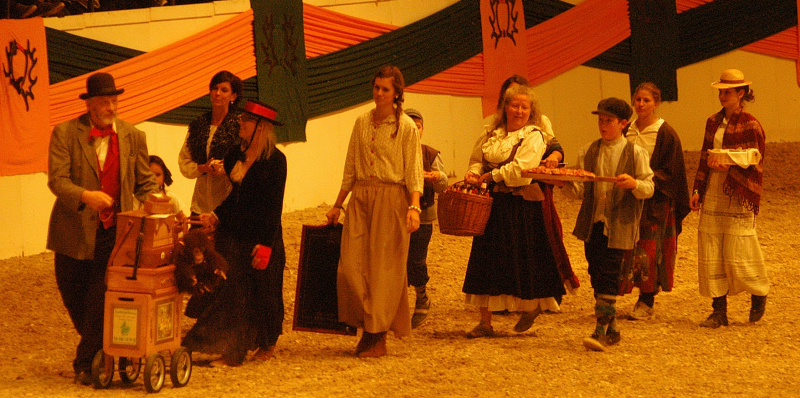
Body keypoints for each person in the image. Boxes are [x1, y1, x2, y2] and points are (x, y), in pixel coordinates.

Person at [47, 72, 157, 384]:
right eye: (104, 102)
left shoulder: (133, 136)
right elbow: (57, 180)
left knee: (101, 296)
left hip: (114, 233)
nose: (111, 107)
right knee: (74, 296)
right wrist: (85, 196)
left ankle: (86, 362)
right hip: (72, 234)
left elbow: (144, 182)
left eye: (114, 101)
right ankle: (107, 347)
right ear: (90, 104)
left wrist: (161, 206)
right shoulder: (66, 133)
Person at [325, 65, 423, 358]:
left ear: (396, 93)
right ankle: (368, 325)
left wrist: (414, 207)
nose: (379, 93)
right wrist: (337, 204)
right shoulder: (361, 122)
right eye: (376, 87)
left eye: (385, 89)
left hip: (392, 198)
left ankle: (376, 334)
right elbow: (350, 167)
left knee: (384, 271)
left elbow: (413, 172)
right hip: (361, 198)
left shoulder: (405, 127)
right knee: (350, 268)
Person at [182, 99, 287, 365]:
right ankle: (227, 348)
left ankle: (267, 341)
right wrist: (215, 216)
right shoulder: (232, 155)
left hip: (263, 234)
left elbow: (273, 207)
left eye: (247, 120)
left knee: (265, 291)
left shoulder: (276, 161)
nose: (240, 123)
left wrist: (265, 245)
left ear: (261, 128)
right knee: (229, 290)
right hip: (234, 233)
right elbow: (235, 197)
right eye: (242, 119)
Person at [461, 84, 566, 338]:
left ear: (531, 111)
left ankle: (533, 306)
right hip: (492, 204)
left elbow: (521, 172)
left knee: (524, 259)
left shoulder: (534, 136)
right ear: (505, 107)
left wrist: (490, 176)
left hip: (521, 207)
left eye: (524, 107)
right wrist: (474, 173)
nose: (518, 111)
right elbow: (477, 159)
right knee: (486, 260)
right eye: (514, 105)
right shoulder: (492, 134)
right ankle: (485, 321)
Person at [560, 97, 653, 351]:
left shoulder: (636, 153)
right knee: (596, 273)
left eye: (608, 121)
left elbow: (649, 186)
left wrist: (634, 184)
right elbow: (580, 189)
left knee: (610, 274)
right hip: (594, 224)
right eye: (600, 120)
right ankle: (612, 329)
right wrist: (562, 183)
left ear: (623, 124)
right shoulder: (588, 150)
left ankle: (600, 329)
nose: (603, 125)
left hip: (620, 224)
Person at [492, 75, 579, 314]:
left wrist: (553, 158)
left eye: (523, 100)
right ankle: (507, 297)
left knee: (545, 240)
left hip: (534, 189)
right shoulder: (496, 127)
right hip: (505, 193)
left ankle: (547, 293)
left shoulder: (540, 123)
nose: (518, 106)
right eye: (512, 98)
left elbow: (556, 148)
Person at [690, 69, 768, 328]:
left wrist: (732, 167)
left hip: (738, 192)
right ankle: (719, 310)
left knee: (740, 247)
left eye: (727, 92)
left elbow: (756, 160)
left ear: (741, 93)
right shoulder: (712, 122)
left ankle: (758, 291)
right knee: (711, 246)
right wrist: (698, 189)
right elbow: (705, 155)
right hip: (714, 188)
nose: (722, 96)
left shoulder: (752, 124)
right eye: (721, 91)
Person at [618, 83, 691, 320]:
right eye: (638, 99)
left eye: (646, 100)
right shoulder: (626, 129)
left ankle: (647, 300)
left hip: (655, 202)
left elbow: (672, 171)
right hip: (629, 199)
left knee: (650, 251)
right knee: (629, 248)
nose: (641, 104)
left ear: (656, 103)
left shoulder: (665, 133)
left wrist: (645, 180)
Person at [403, 108, 448, 329]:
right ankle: (396, 306)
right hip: (394, 214)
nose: (413, 131)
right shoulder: (393, 151)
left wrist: (436, 177)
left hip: (424, 216)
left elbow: (444, 183)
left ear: (422, 130)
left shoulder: (430, 154)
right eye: (409, 126)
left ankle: (422, 297)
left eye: (417, 127)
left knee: (416, 260)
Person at [178, 71, 242, 224]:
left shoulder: (240, 126)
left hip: (226, 207)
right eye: (214, 88)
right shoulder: (198, 125)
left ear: (233, 96)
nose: (217, 93)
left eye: (224, 90)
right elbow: (184, 161)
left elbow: (247, 164)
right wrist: (202, 168)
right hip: (200, 205)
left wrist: (226, 169)